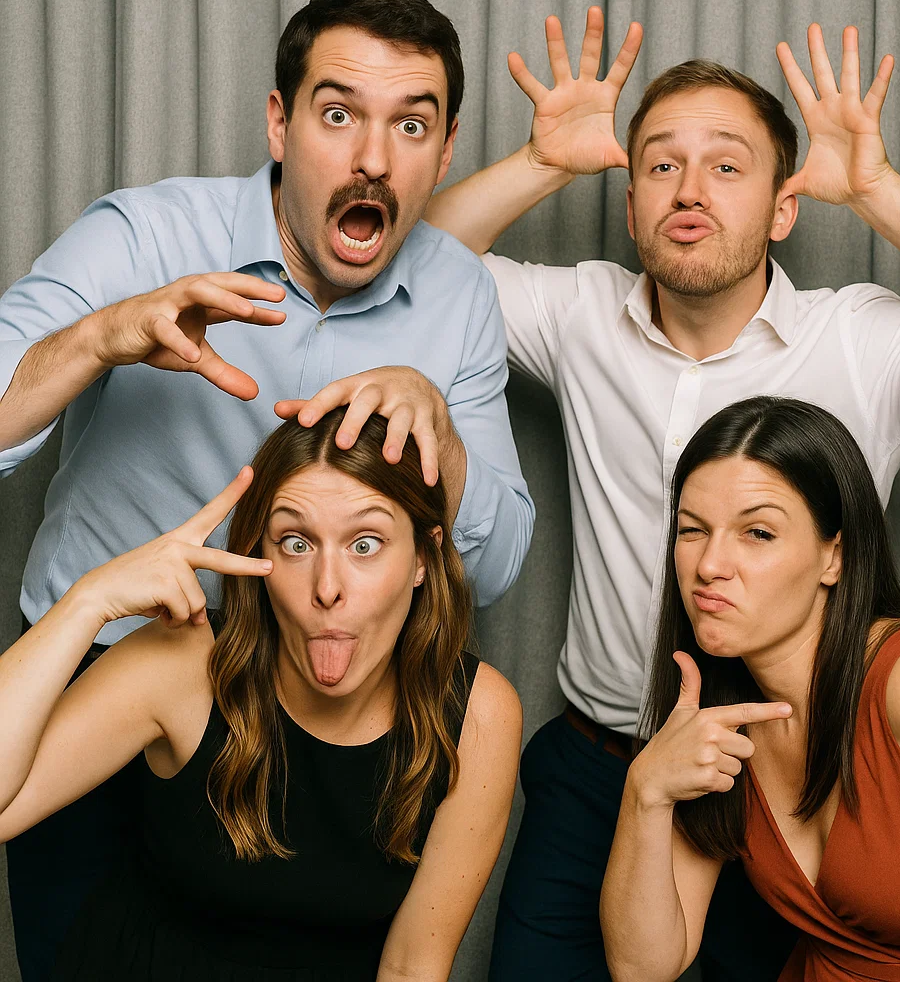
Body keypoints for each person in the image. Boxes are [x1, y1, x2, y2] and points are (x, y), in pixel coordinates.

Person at [425, 11, 900, 981]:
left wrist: (876, 192)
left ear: (784, 207)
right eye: (659, 166)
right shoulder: (580, 313)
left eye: (727, 166)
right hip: (603, 759)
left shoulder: (858, 341)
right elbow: (413, 276)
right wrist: (541, 162)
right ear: (627, 204)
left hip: (791, 772)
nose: (689, 190)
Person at [0, 0, 534, 979]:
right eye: (339, 114)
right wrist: (97, 340)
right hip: (112, 671)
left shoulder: (456, 293)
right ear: (280, 123)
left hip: (314, 702)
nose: (374, 156)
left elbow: (489, 567)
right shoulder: (145, 236)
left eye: (409, 125)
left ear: (446, 148)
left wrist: (447, 448)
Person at [0, 406, 522, 980]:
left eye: (365, 544)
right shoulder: (184, 662)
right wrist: (89, 601)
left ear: (423, 557)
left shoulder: (479, 716)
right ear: (260, 556)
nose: (328, 588)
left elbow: (412, 966)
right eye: (297, 543)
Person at [601, 394, 900, 981]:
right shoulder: (714, 712)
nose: (709, 565)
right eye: (693, 530)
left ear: (835, 555)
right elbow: (643, 968)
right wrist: (645, 790)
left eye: (757, 533)